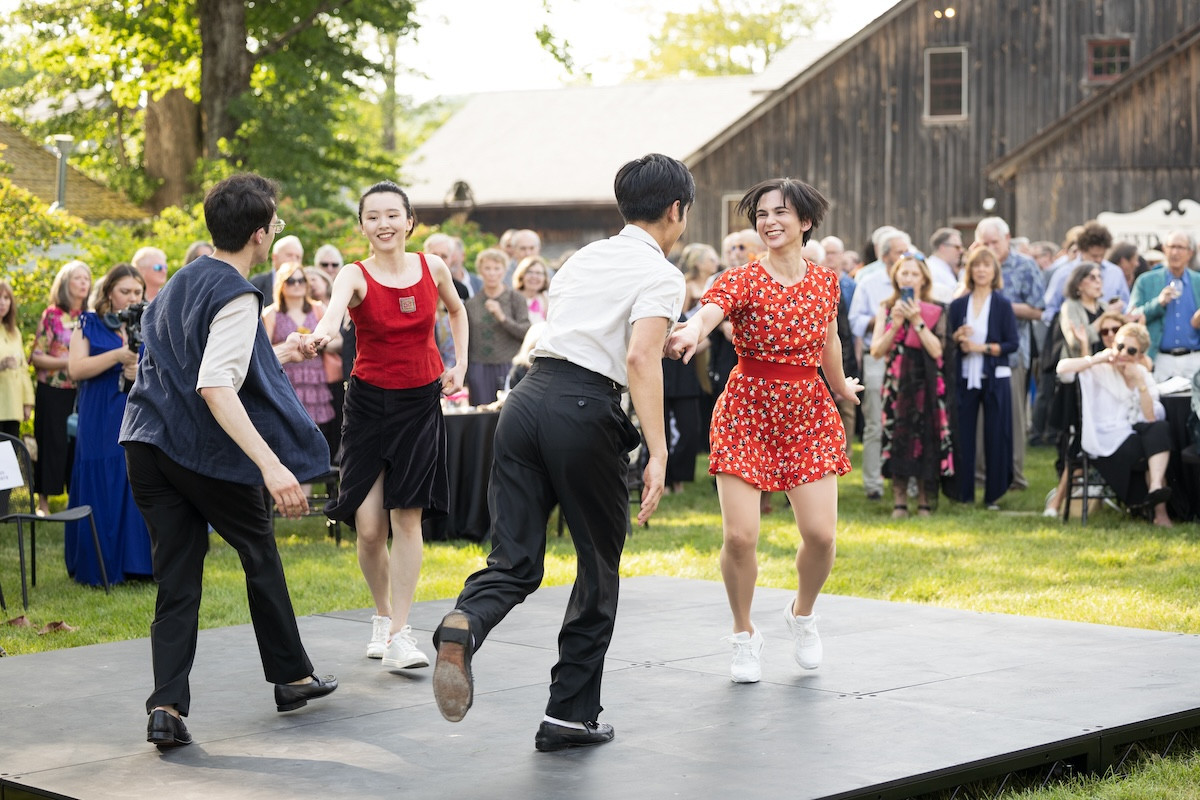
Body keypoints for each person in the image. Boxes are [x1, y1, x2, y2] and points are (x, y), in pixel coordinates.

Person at [431, 153, 690, 751]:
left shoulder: (582, 258)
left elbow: (590, 334)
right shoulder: (662, 274)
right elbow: (636, 359)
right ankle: (570, 715)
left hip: (526, 399)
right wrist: (658, 451)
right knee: (597, 567)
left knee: (515, 559)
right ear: (677, 211)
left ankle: (464, 622)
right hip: (584, 410)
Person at [121, 173, 338, 750]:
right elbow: (216, 385)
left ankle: (165, 706)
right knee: (260, 553)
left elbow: (191, 356)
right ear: (262, 235)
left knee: (177, 576)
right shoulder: (239, 293)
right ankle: (292, 678)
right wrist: (272, 467)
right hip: (203, 452)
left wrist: (281, 352)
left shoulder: (182, 279)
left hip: (145, 445)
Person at [668, 177, 862, 685]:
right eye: (761, 214)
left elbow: (829, 338)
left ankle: (802, 615)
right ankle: (744, 634)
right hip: (747, 410)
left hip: (807, 413)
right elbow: (706, 314)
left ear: (805, 221)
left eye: (781, 213)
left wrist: (841, 386)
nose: (769, 221)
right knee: (739, 537)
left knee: (820, 536)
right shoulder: (741, 279)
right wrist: (690, 331)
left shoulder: (825, 282)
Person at [306, 180, 467, 673]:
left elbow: (457, 310)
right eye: (373, 217)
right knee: (371, 528)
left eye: (392, 215)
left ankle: (401, 632)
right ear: (362, 226)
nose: (384, 224)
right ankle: (381, 618)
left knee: (407, 519)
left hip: (420, 403)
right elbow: (333, 317)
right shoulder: (354, 276)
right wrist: (321, 334)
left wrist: (457, 363)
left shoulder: (431, 266)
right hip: (369, 406)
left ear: (409, 221)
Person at [64, 263, 150, 586]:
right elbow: (76, 368)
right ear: (109, 292)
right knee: (102, 479)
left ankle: (136, 565)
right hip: (99, 414)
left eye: (137, 291)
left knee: (133, 481)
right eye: (124, 291)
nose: (131, 297)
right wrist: (117, 357)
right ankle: (100, 566)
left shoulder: (144, 324)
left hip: (133, 412)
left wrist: (135, 370)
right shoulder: (89, 323)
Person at [1056, 322, 1172, 526]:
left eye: (1131, 350)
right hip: (1106, 441)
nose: (1123, 353)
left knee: (1160, 431)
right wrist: (1095, 359)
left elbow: (1151, 417)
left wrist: (1140, 384)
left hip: (1134, 435)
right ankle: (1160, 512)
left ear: (1140, 355)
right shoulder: (1100, 368)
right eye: (1120, 346)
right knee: (1155, 447)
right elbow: (1062, 369)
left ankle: (1155, 487)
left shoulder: (1141, 373)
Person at [870, 252, 952, 519]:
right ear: (896, 276)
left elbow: (938, 349)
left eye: (914, 273)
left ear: (923, 279)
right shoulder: (886, 307)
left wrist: (917, 321)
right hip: (897, 384)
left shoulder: (935, 309)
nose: (909, 277)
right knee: (897, 437)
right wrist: (896, 325)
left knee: (927, 435)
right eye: (904, 272)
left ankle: (926, 502)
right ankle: (900, 502)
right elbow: (876, 351)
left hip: (927, 383)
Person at [974, 217, 1043, 491]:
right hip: (975, 356)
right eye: (985, 242)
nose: (990, 247)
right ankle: (980, 475)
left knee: (1011, 418)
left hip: (1012, 355)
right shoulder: (974, 266)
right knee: (978, 418)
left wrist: (1000, 308)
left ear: (1008, 238)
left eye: (995, 242)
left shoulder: (1025, 266)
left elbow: (1038, 309)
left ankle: (1014, 476)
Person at [948, 247, 1019, 508]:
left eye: (986, 266)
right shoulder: (957, 306)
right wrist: (957, 339)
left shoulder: (1002, 304)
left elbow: (1013, 344)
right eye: (976, 266)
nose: (980, 270)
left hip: (995, 378)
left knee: (996, 435)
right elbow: (948, 342)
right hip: (965, 378)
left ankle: (994, 495)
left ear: (994, 272)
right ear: (969, 271)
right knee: (963, 436)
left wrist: (981, 348)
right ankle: (964, 494)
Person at [848, 228, 912, 501]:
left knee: (907, 422)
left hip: (909, 360)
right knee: (875, 423)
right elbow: (855, 321)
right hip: (878, 360)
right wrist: (884, 319)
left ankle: (908, 482)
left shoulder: (916, 282)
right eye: (900, 252)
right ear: (884, 256)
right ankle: (873, 483)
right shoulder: (869, 283)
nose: (905, 258)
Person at [30, 260, 91, 517]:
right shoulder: (52, 315)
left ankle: (74, 499)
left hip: (81, 391)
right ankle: (43, 502)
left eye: (87, 278)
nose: (83, 283)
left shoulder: (90, 317)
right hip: (53, 390)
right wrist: (69, 362)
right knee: (50, 442)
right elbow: (37, 356)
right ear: (65, 283)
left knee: (77, 445)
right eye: (78, 278)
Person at [262, 261, 336, 431]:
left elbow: (338, 340)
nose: (297, 284)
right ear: (281, 284)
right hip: (285, 378)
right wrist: (290, 347)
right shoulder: (271, 313)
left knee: (318, 431)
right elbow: (263, 350)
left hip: (315, 378)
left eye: (301, 280)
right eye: (291, 281)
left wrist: (319, 343)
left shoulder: (318, 309)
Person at [1127, 231, 1200, 380]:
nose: (1175, 252)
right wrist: (1158, 303)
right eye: (1171, 246)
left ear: (1190, 253)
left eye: (1180, 247)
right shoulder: (1146, 281)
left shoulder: (1197, 281)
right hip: (1160, 358)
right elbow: (1131, 318)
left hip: (1194, 358)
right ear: (1164, 249)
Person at [465, 248, 530, 405]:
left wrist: (502, 317)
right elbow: (467, 339)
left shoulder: (516, 298)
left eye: (497, 268)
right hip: (479, 367)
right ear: (480, 271)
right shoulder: (471, 303)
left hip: (509, 364)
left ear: (504, 270)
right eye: (487, 268)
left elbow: (526, 332)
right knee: (482, 413)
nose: (492, 273)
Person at [0, 280, 33, 514]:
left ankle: (3, 509)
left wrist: (27, 400)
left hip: (11, 405)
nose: (2, 303)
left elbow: (22, 369)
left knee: (7, 460)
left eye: (6, 298)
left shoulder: (14, 332)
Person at [512, 255, 551, 324]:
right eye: (529, 272)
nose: (534, 276)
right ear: (521, 275)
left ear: (544, 277)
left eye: (538, 273)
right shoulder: (513, 298)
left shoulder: (546, 298)